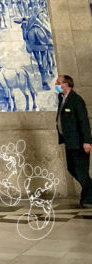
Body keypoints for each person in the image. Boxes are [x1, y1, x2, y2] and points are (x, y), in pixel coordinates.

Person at [55, 75, 92, 208]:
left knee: (81, 171)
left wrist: (87, 141)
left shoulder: (76, 100)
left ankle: (88, 197)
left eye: (58, 82)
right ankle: (88, 195)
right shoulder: (62, 99)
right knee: (72, 168)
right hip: (69, 142)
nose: (56, 84)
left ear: (66, 84)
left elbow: (84, 122)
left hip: (79, 143)